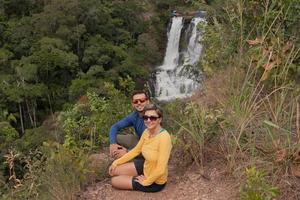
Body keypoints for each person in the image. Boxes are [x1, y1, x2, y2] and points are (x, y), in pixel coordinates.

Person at [108, 104, 172, 193]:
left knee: (114, 181)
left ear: (159, 119)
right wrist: (116, 162)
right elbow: (136, 151)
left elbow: (161, 168)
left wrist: (146, 181)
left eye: (153, 118)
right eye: (145, 117)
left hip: (155, 181)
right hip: (146, 166)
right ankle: (135, 177)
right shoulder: (147, 132)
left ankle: (135, 179)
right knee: (114, 170)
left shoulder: (164, 137)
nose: (148, 120)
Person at [109, 91, 149, 159]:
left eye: (142, 100)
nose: (139, 103)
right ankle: (118, 153)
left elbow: (150, 146)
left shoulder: (152, 117)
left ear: (147, 101)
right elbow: (115, 127)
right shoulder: (134, 116)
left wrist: (127, 152)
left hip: (151, 148)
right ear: (132, 104)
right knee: (114, 137)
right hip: (139, 141)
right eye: (135, 101)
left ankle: (133, 157)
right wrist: (112, 144)